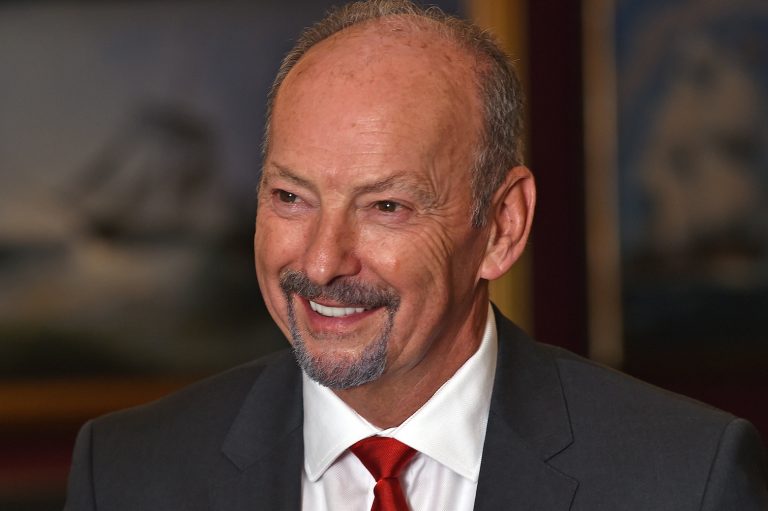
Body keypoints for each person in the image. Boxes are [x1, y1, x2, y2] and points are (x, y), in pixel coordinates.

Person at [63, 1, 768, 509]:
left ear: (502, 227)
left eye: (385, 207)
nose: (322, 261)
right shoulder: (127, 474)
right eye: (291, 197)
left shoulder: (683, 479)